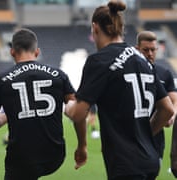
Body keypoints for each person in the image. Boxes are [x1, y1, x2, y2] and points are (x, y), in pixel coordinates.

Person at [65, 1, 175, 180]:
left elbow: (77, 114)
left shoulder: (99, 61)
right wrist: (145, 135)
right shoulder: (143, 60)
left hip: (125, 164)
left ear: (95, 28)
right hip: (150, 160)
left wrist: (68, 105)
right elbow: (167, 109)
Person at [0, 28, 87, 180]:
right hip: (54, 155)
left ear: (12, 52)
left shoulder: (1, 80)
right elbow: (78, 113)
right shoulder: (59, 75)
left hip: (21, 157)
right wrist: (82, 146)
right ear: (37, 52)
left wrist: (6, 116)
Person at [136, 31, 177, 160]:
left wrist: (171, 115)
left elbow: (174, 100)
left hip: (156, 139)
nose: (150, 54)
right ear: (137, 49)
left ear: (157, 49)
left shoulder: (164, 73)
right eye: (145, 50)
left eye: (153, 50)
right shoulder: (130, 71)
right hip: (132, 136)